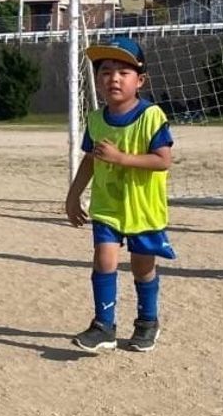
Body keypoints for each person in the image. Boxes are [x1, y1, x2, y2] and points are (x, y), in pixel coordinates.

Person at [65, 37, 174, 353]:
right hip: (108, 206)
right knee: (104, 259)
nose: (113, 78)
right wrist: (73, 196)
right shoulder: (96, 119)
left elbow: (163, 160)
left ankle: (147, 322)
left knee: (143, 267)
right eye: (105, 72)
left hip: (143, 209)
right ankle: (104, 326)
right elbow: (90, 159)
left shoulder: (152, 116)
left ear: (140, 80)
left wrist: (121, 158)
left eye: (123, 72)